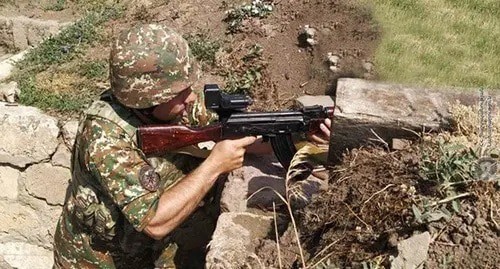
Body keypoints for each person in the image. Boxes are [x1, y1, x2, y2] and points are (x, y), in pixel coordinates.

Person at [53, 23, 331, 269]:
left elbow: (241, 134)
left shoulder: (175, 107)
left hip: (152, 256)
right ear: (147, 98)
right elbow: (155, 222)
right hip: (95, 262)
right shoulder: (105, 137)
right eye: (179, 92)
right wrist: (214, 165)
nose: (190, 98)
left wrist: (298, 134)